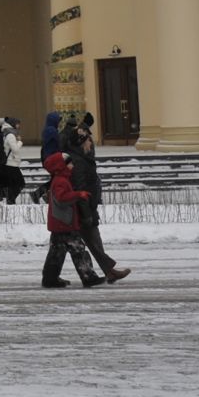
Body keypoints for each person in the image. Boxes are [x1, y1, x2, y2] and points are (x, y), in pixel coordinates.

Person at [70, 120, 128, 282]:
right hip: (84, 209)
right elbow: (80, 189)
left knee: (88, 243)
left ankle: (108, 271)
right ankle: (108, 271)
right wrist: (86, 212)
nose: (91, 142)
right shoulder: (80, 162)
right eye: (88, 140)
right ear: (82, 143)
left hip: (87, 207)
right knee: (89, 242)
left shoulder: (82, 158)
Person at [41, 151, 105, 289]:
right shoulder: (61, 181)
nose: (72, 165)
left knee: (56, 253)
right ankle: (88, 277)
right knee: (79, 250)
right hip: (64, 223)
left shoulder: (61, 179)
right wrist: (78, 194)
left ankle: (50, 279)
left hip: (59, 223)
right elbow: (61, 198)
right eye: (69, 163)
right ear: (61, 166)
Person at [29, 109, 62, 203]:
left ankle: (44, 195)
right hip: (52, 159)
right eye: (58, 120)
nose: (59, 123)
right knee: (56, 179)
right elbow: (57, 144)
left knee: (55, 179)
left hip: (49, 158)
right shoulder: (52, 131)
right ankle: (40, 194)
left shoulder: (49, 129)